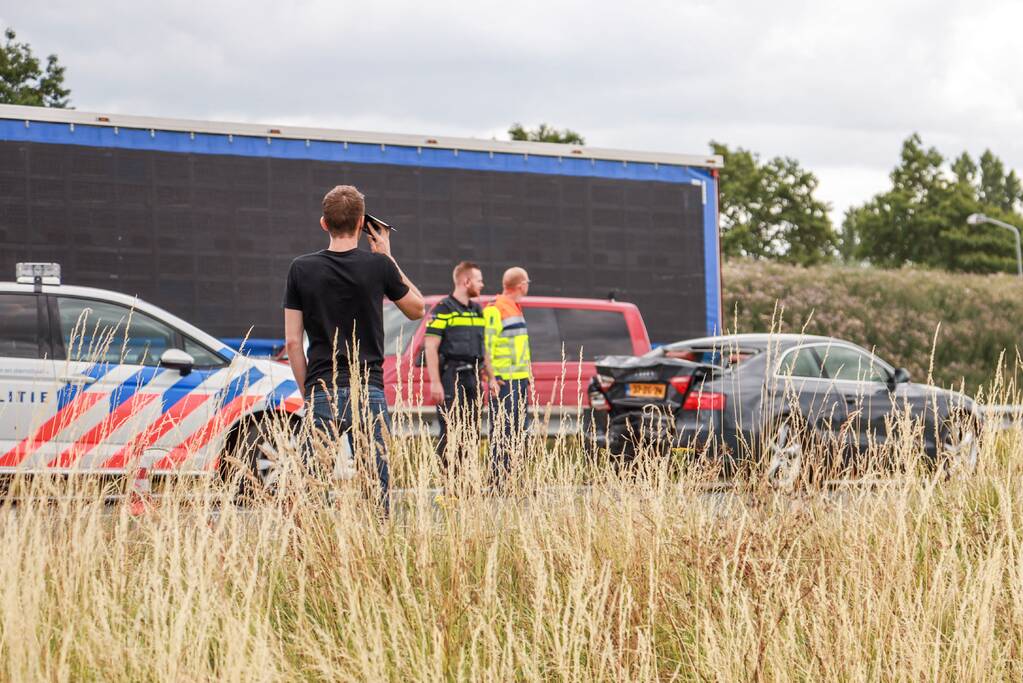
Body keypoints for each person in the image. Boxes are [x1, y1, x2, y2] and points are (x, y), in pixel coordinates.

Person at [283, 185, 424, 510]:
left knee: (310, 488)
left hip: (321, 388)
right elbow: (417, 309)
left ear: (323, 223)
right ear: (362, 223)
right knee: (377, 489)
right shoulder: (379, 267)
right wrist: (387, 256)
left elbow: (292, 342)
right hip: (368, 390)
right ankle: (376, 547)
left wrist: (310, 393)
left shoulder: (300, 269)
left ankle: (309, 550)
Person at [424, 262, 500, 476]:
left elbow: (482, 346)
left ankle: (468, 481)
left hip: (473, 376)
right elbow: (431, 347)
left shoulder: (477, 310)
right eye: (479, 280)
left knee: (472, 431)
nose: (482, 284)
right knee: (451, 431)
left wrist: (491, 377)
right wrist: (436, 382)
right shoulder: (443, 309)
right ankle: (450, 484)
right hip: (451, 375)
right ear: (466, 282)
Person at [483, 267, 533, 485]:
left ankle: (513, 477)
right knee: (503, 429)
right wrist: (492, 378)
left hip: (519, 380)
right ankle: (498, 479)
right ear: (521, 285)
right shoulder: (496, 309)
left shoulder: (514, 307)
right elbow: (486, 346)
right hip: (504, 380)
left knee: (518, 430)